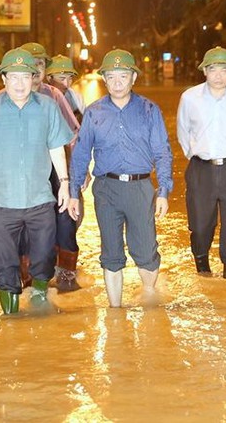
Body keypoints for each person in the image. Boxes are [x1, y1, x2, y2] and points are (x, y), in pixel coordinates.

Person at [0, 47, 73, 314]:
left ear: (34, 78)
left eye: (26, 76)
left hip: (40, 198)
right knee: (5, 262)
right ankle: (10, 316)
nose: (20, 83)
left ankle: (39, 296)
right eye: (14, 77)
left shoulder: (48, 107)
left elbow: (57, 147)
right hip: (1, 201)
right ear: (4, 79)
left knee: (45, 254)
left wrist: (65, 183)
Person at [68, 49, 173, 308]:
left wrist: (163, 192)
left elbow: (162, 152)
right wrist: (73, 192)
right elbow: (81, 153)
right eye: (111, 76)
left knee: (146, 249)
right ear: (104, 78)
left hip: (140, 188)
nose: (117, 82)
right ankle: (115, 312)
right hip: (106, 189)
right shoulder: (94, 113)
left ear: (133, 78)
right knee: (111, 251)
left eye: (123, 76)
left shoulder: (150, 110)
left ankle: (149, 297)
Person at [176, 46, 226, 279]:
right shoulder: (190, 98)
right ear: (205, 71)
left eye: (224, 70)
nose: (219, 75)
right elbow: (183, 132)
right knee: (201, 224)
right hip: (201, 169)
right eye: (213, 69)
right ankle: (202, 266)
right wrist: (198, 154)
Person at [19, 42, 82, 292]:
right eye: (30, 64)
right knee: (23, 222)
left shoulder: (54, 96)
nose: (35, 69)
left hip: (55, 169)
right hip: (23, 171)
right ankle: (27, 274)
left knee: (64, 218)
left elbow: (74, 134)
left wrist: (78, 172)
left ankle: (66, 272)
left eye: (41, 64)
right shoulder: (5, 96)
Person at [45, 54, 86, 123]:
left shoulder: (77, 99)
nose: (66, 84)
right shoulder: (39, 99)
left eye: (70, 78)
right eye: (62, 78)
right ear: (49, 78)